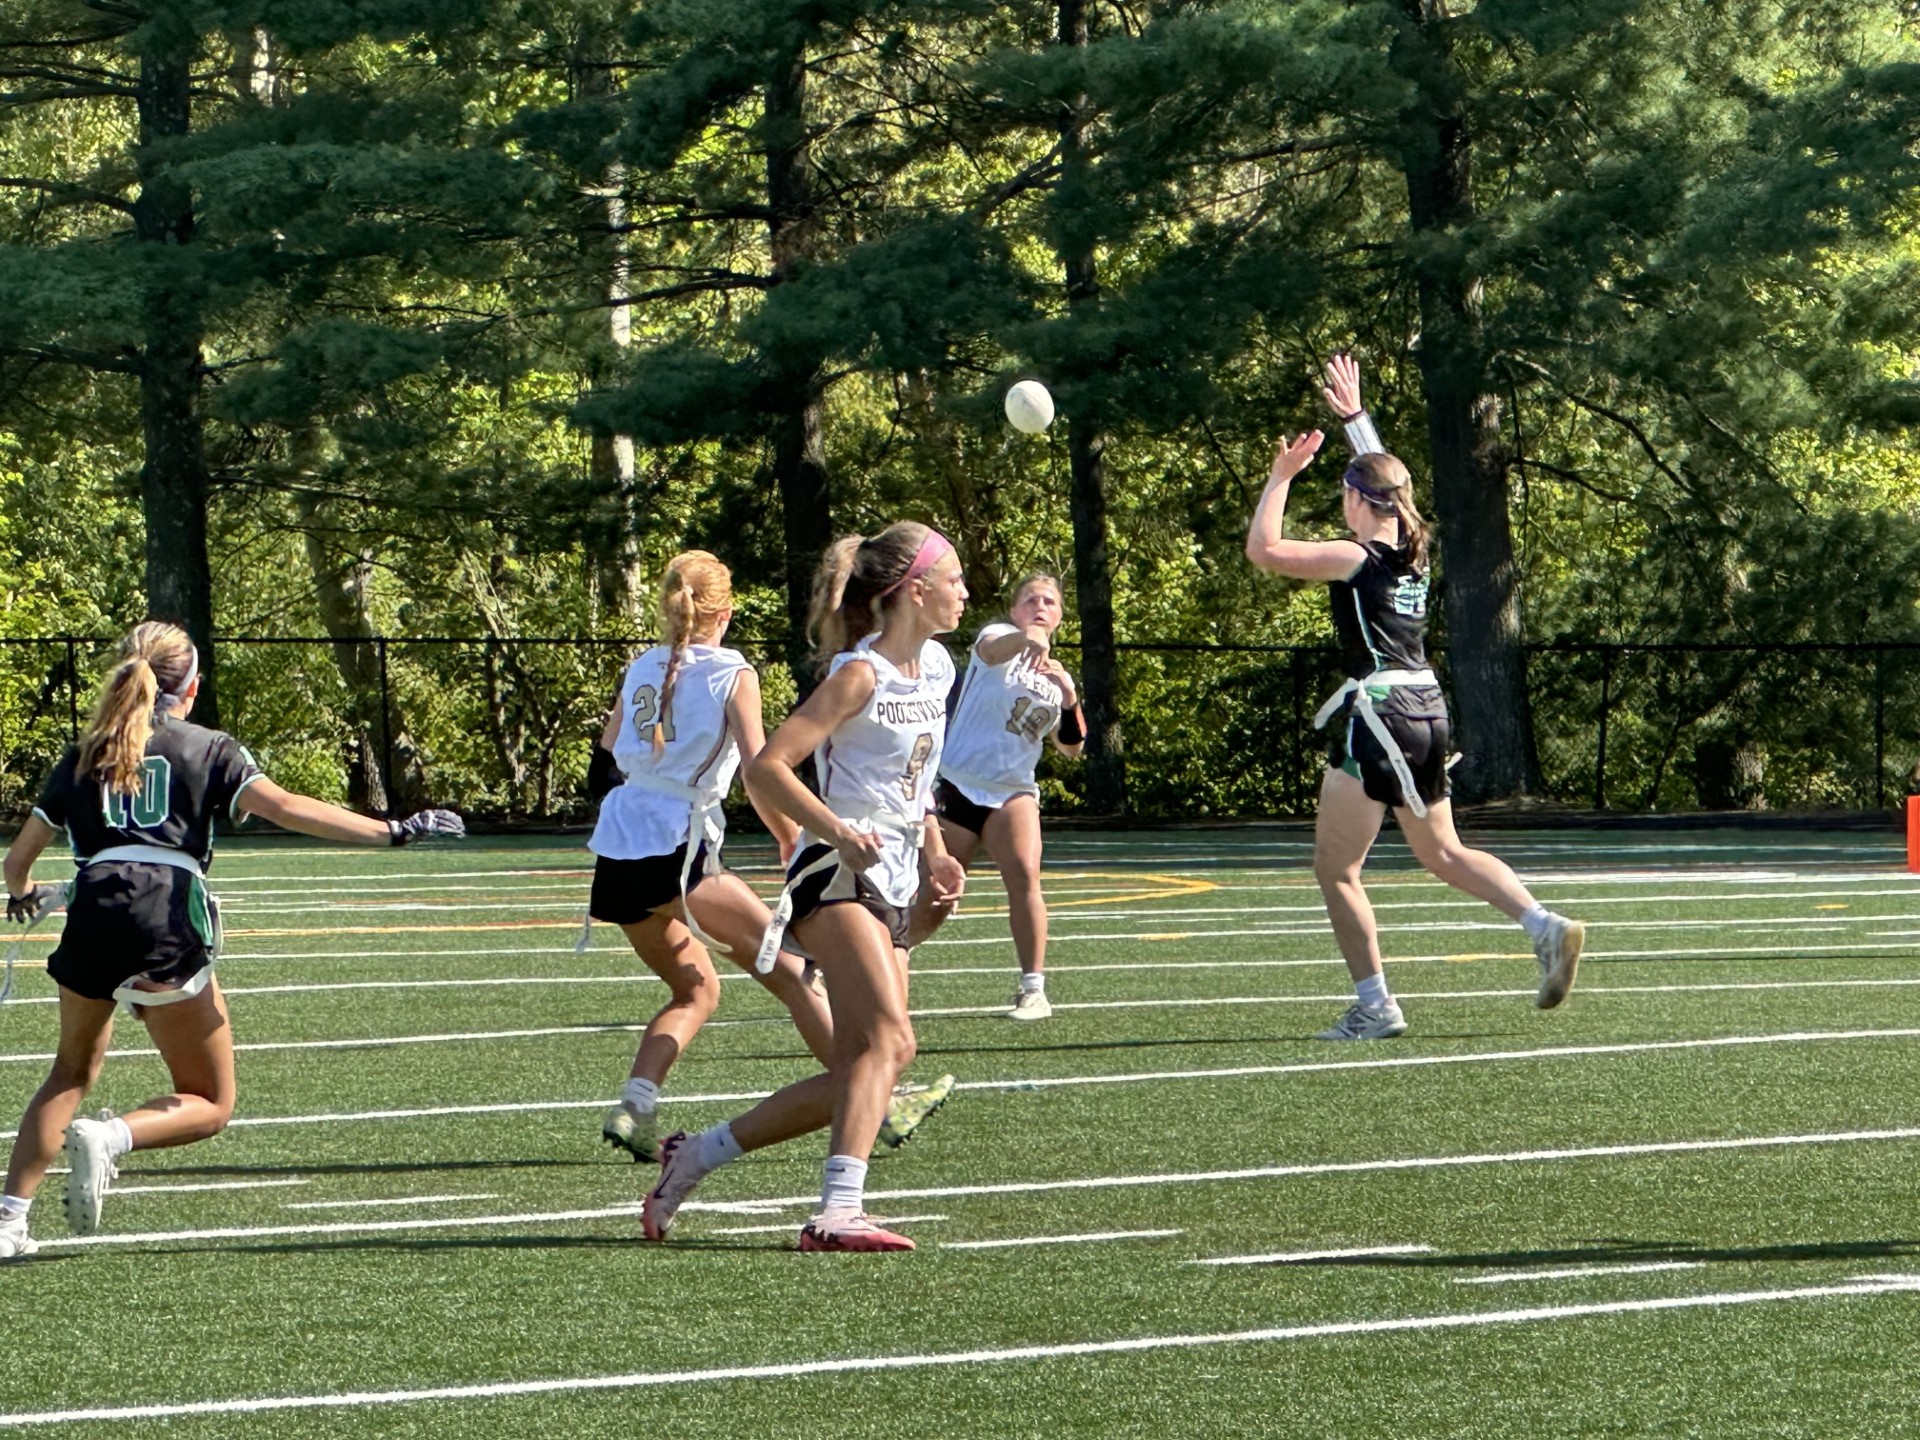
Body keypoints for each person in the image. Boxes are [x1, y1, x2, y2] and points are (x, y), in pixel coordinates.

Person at [0, 621, 463, 1257]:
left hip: (92, 910)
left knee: (70, 1072)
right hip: (166, 913)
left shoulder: (85, 754)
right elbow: (288, 807)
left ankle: (7, 1222)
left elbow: (18, 861)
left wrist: (23, 893)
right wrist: (393, 831)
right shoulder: (207, 745)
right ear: (188, 687)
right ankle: (115, 1138)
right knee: (211, 1101)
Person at [639, 521, 968, 1253]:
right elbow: (768, 769)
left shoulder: (940, 668)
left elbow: (917, 780)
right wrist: (840, 831)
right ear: (915, 590)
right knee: (889, 1038)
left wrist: (937, 854)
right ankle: (836, 1213)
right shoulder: (859, 674)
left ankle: (694, 1155)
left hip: (894, 867)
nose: (964, 592)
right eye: (954, 578)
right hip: (835, 867)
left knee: (870, 1063)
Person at [1243, 355, 1584, 1040]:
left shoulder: (1355, 557)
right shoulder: (1413, 550)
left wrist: (1279, 479)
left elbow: (1265, 550)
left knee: (1336, 869)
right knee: (1442, 852)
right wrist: (1354, 420)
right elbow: (1389, 485)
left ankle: (1376, 1006)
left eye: (1345, 493)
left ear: (1358, 502)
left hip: (1382, 719)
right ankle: (1542, 925)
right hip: (1425, 709)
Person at [587, 550, 838, 1163]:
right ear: (724, 613)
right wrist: (787, 831)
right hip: (678, 846)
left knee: (695, 989)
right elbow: (759, 768)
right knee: (794, 970)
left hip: (620, 850)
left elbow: (604, 761)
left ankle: (635, 1108)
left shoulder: (640, 664)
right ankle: (878, 1095)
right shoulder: (733, 671)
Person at [914, 573, 1084, 1019]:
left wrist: (1069, 698)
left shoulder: (1053, 678)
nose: (1040, 606)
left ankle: (1033, 988)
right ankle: (879, 962)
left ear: (1061, 614)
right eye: (1030, 600)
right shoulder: (999, 639)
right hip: (958, 782)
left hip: (1013, 792)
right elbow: (993, 649)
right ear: (1014, 610)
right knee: (933, 894)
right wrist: (1028, 637)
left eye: (1049, 601)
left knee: (1026, 878)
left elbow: (1072, 747)